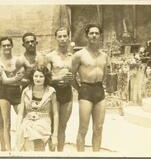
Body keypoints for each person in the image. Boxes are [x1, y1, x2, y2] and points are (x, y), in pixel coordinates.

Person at [72, 24, 108, 152]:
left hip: (99, 90)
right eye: (91, 33)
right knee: (83, 128)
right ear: (87, 35)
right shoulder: (79, 55)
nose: (94, 35)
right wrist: (80, 89)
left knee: (98, 127)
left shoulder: (104, 56)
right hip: (85, 90)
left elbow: (105, 74)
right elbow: (71, 75)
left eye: (96, 33)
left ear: (100, 36)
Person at [16, 66, 59, 151]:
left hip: (43, 123)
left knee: (38, 149)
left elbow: (55, 114)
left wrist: (55, 135)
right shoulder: (26, 91)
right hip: (27, 122)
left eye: (41, 76)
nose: (38, 78)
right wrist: (18, 128)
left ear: (45, 78)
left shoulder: (51, 91)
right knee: (26, 149)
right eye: (36, 76)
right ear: (32, 77)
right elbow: (20, 113)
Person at [0, 37, 24, 151]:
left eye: (8, 45)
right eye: (4, 45)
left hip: (17, 92)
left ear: (12, 46)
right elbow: (5, 80)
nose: (6, 47)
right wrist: (16, 78)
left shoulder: (18, 60)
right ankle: (9, 149)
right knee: (7, 122)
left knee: (22, 118)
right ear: (1, 47)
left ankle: (21, 146)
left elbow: (21, 78)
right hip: (4, 92)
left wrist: (16, 79)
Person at [46, 27, 73, 151]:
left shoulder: (72, 56)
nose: (62, 39)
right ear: (56, 38)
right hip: (54, 92)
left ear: (68, 37)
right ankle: (52, 154)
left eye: (64, 36)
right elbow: (46, 78)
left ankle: (60, 153)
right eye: (60, 36)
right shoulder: (50, 56)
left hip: (67, 92)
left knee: (63, 126)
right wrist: (59, 77)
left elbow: (75, 74)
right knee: (53, 126)